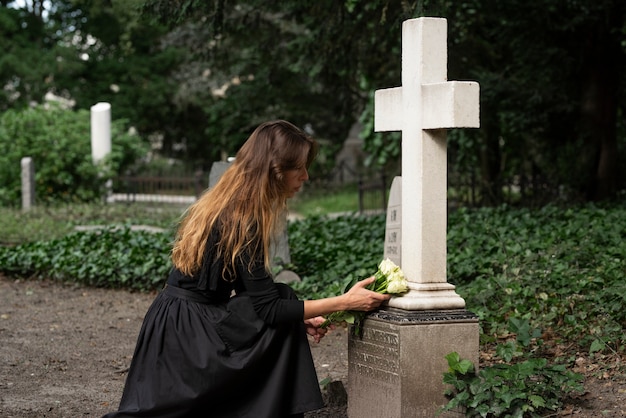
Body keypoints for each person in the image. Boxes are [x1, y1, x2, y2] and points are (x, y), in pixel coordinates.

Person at [102, 120, 390, 418]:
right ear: (276, 170)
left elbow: (256, 296)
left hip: (174, 321)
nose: (306, 176)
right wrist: (345, 302)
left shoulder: (231, 203)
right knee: (283, 299)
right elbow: (268, 309)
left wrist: (296, 317)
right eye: (300, 168)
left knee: (284, 298)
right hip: (188, 334)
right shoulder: (243, 218)